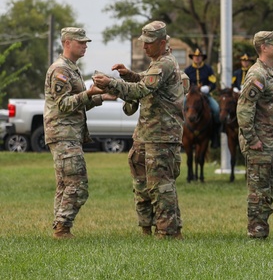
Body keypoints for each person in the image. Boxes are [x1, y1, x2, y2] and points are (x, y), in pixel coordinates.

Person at [93, 21, 184, 239]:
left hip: (161, 136)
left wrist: (111, 83)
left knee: (161, 185)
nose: (144, 47)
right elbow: (144, 80)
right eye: (143, 42)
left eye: (149, 43)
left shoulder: (165, 64)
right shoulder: (157, 64)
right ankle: (150, 229)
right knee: (144, 185)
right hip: (148, 135)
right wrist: (129, 75)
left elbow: (143, 88)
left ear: (162, 43)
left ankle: (168, 232)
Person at [44, 27, 109, 239]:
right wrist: (88, 93)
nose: (85, 45)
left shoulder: (72, 69)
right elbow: (63, 105)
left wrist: (100, 97)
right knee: (78, 184)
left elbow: (76, 104)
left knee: (65, 185)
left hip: (69, 134)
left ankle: (60, 228)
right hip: (63, 135)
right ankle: (62, 228)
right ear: (67, 42)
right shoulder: (60, 71)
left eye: (86, 42)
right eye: (81, 42)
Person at [236, 31, 273, 239]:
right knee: (258, 191)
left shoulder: (270, 72)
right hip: (260, 144)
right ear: (264, 47)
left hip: (270, 142)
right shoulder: (257, 74)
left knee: (266, 190)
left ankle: (261, 229)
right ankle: (256, 232)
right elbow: (244, 109)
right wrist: (252, 139)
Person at [183, 47, 220, 145]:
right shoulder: (187, 70)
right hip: (190, 96)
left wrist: (208, 88)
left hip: (205, 95)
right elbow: (183, 83)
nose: (197, 58)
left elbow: (213, 82)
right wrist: (187, 90)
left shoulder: (208, 69)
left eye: (199, 57)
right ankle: (179, 135)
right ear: (193, 58)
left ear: (202, 58)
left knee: (216, 110)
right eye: (195, 57)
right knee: (179, 109)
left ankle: (215, 136)